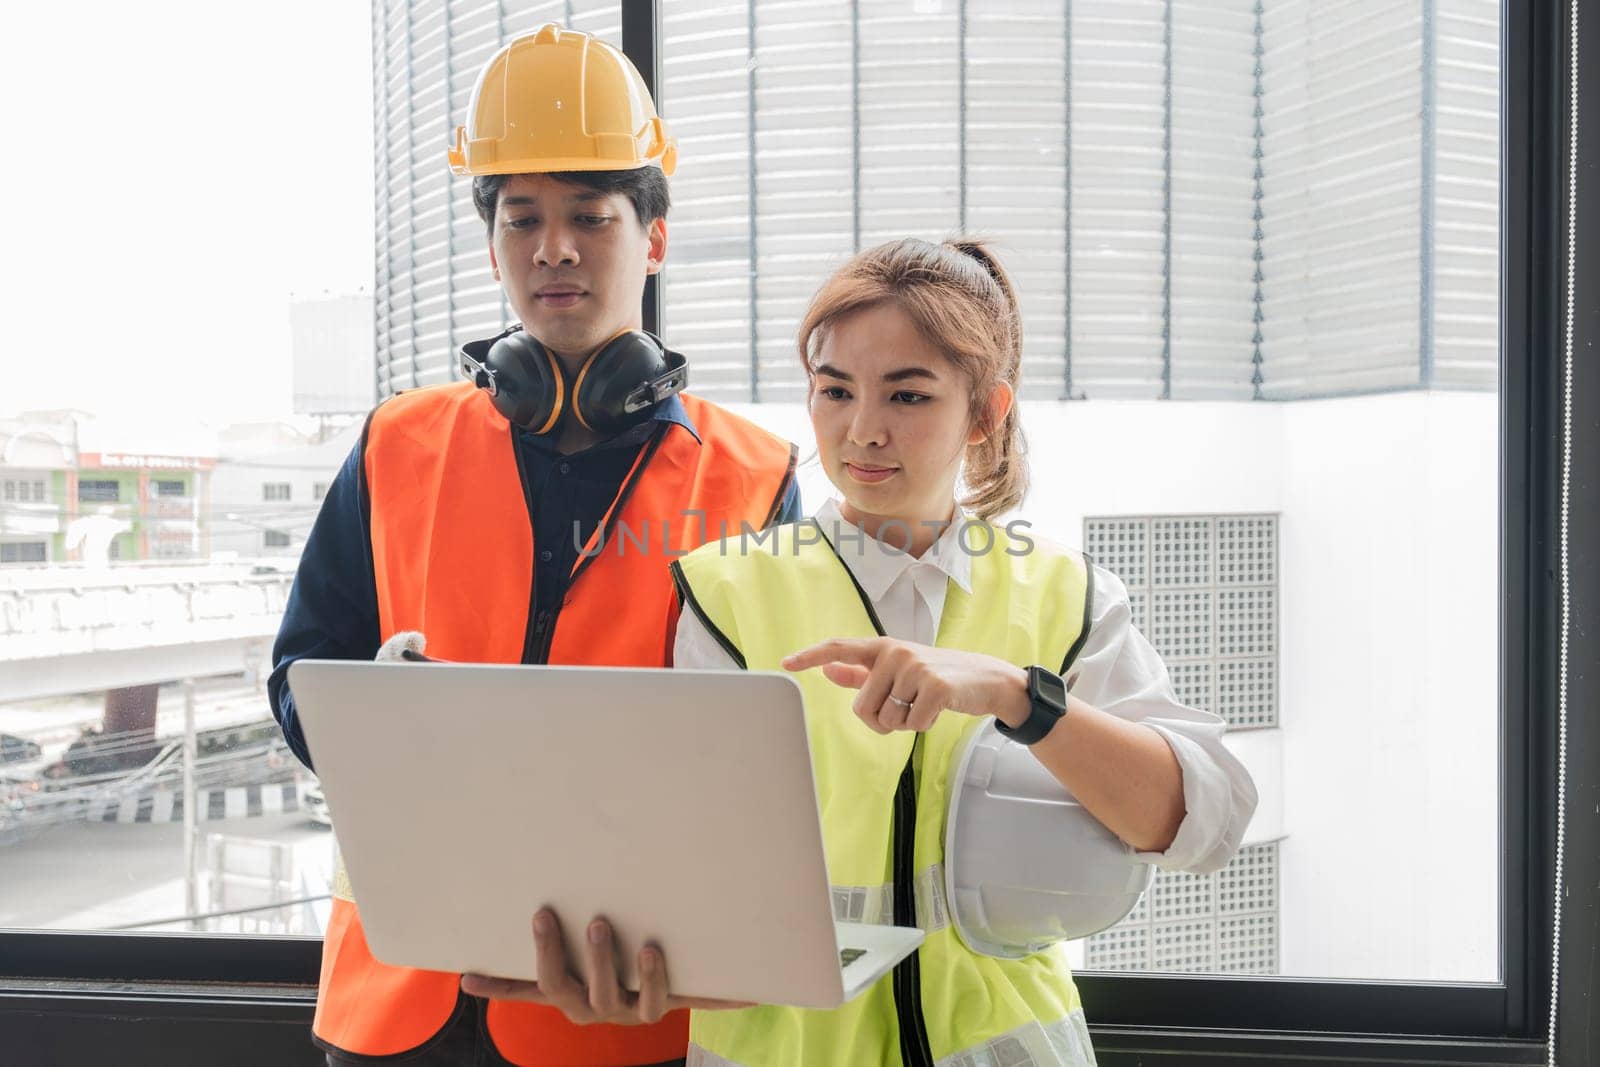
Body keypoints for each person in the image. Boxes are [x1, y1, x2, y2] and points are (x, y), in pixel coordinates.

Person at [268, 24, 801, 1067]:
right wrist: (372, 722)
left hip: (620, 1006)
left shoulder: (755, 477)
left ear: (651, 236)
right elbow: (299, 672)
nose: (552, 247)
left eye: (589, 217)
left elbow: (774, 761)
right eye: (522, 220)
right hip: (396, 1002)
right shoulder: (394, 445)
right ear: (494, 241)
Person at [663, 237, 1258, 1065]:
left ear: (985, 411)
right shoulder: (725, 595)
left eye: (907, 395)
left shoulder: (1066, 594)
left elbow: (1205, 824)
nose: (862, 430)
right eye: (834, 390)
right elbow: (680, 875)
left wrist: (1021, 695)